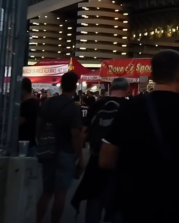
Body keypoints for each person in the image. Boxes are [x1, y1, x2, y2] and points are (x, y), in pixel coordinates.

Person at [99, 50, 179, 223]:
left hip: (134, 204)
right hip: (178, 205)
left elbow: (105, 159)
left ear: (152, 75)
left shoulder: (130, 107)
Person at [71, 77, 130, 223]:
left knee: (94, 200)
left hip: (96, 160)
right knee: (118, 205)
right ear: (127, 89)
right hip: (120, 164)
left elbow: (83, 133)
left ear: (111, 87)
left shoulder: (97, 105)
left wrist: (80, 157)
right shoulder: (130, 106)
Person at [36, 72, 84, 223]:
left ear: (62, 85)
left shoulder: (48, 103)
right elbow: (75, 134)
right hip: (66, 152)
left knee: (47, 191)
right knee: (61, 193)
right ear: (75, 86)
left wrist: (42, 141)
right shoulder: (73, 108)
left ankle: (37, 220)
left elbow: (39, 126)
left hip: (49, 150)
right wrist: (80, 157)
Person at [19, 77, 39, 157]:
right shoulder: (35, 103)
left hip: (25, 144)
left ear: (23, 89)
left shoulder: (26, 105)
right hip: (32, 142)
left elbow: (19, 122)